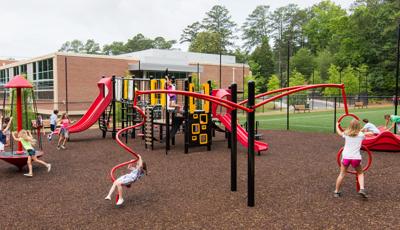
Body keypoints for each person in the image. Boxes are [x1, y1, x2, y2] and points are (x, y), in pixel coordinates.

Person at [334, 119, 368, 198]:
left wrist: (337, 125)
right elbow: (363, 136)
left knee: (342, 174)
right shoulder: (361, 134)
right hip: (356, 158)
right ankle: (362, 189)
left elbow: (339, 132)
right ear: (359, 126)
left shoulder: (346, 133)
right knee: (360, 173)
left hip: (346, 157)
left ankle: (336, 191)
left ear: (350, 125)